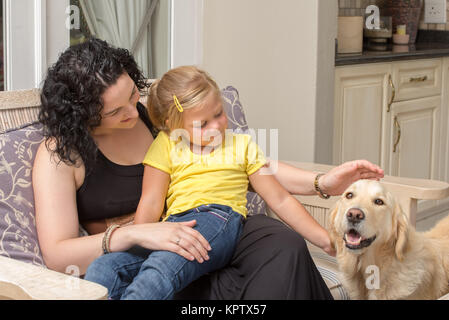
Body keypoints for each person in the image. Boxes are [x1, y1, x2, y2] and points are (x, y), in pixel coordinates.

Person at [33, 38, 384, 300]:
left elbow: (249, 166)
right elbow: (57, 254)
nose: (134, 108)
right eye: (117, 110)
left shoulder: (161, 118)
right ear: (84, 116)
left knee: (284, 244)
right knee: (136, 272)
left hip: (210, 225)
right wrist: (135, 234)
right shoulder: (61, 155)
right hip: (154, 243)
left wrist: (322, 182)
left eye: (132, 94)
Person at [108, 66, 335, 299]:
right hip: (180, 224)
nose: (216, 127)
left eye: (218, 114)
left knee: (163, 269)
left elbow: (280, 198)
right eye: (202, 124)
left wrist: (325, 240)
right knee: (111, 268)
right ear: (175, 126)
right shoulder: (167, 144)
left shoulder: (242, 145)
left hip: (225, 220)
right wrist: (140, 240)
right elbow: (151, 200)